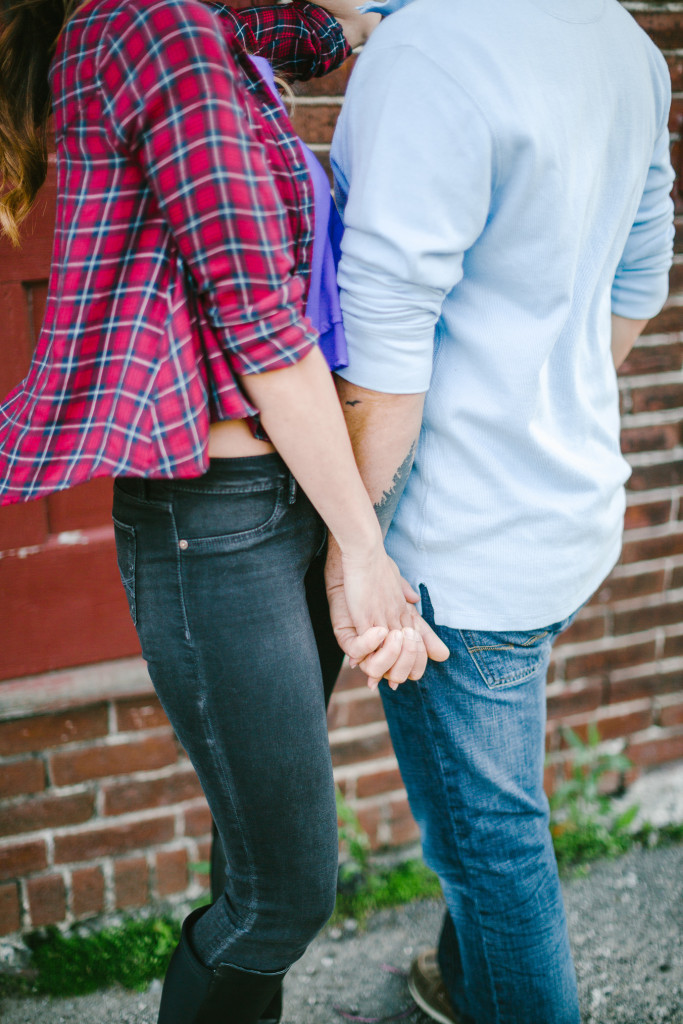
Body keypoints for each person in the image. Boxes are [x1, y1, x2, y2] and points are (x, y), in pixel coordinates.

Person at [0, 2, 447, 1022]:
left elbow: (314, 32)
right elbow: (261, 327)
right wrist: (362, 546)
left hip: (284, 491)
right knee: (285, 894)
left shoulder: (194, 24)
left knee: (252, 863)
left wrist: (375, 23)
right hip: (222, 518)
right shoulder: (153, 27)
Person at [329, 0, 675, 1021]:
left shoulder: (428, 49)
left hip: (458, 549)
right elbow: (640, 278)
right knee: (492, 807)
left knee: (491, 846)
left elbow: (386, 344)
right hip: (565, 509)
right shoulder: (622, 41)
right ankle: (462, 981)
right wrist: (541, 407)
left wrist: (352, 538)